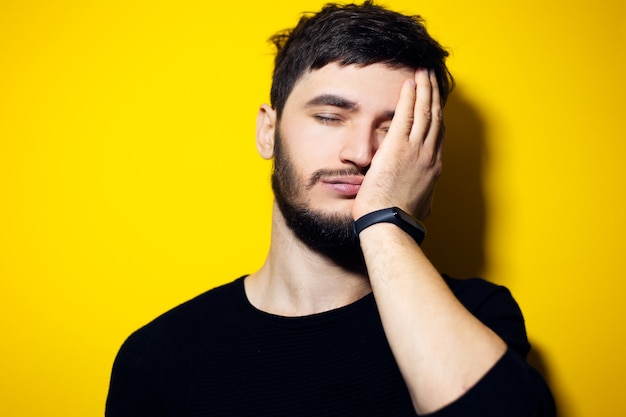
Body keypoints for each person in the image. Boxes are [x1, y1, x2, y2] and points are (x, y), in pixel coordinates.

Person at [106, 1, 556, 416]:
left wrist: (383, 220)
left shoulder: (475, 314)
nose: (362, 152)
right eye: (329, 116)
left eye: (396, 129)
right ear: (268, 131)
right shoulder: (160, 354)